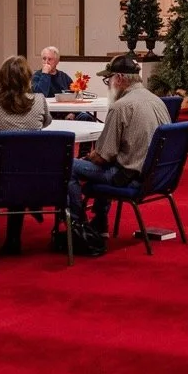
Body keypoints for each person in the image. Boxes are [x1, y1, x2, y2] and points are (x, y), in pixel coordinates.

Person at [68, 54, 170, 237]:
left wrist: (87, 158)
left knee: (67, 166)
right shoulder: (158, 101)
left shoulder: (120, 107)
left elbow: (102, 156)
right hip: (157, 177)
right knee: (108, 163)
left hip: (128, 176)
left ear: (120, 78)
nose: (108, 85)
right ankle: (99, 222)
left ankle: (79, 225)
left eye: (108, 80)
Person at [0, 56, 52, 254]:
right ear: (27, 78)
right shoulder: (39, 100)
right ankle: (30, 205)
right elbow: (46, 122)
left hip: (1, 174)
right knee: (21, 176)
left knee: (7, 175)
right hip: (35, 173)